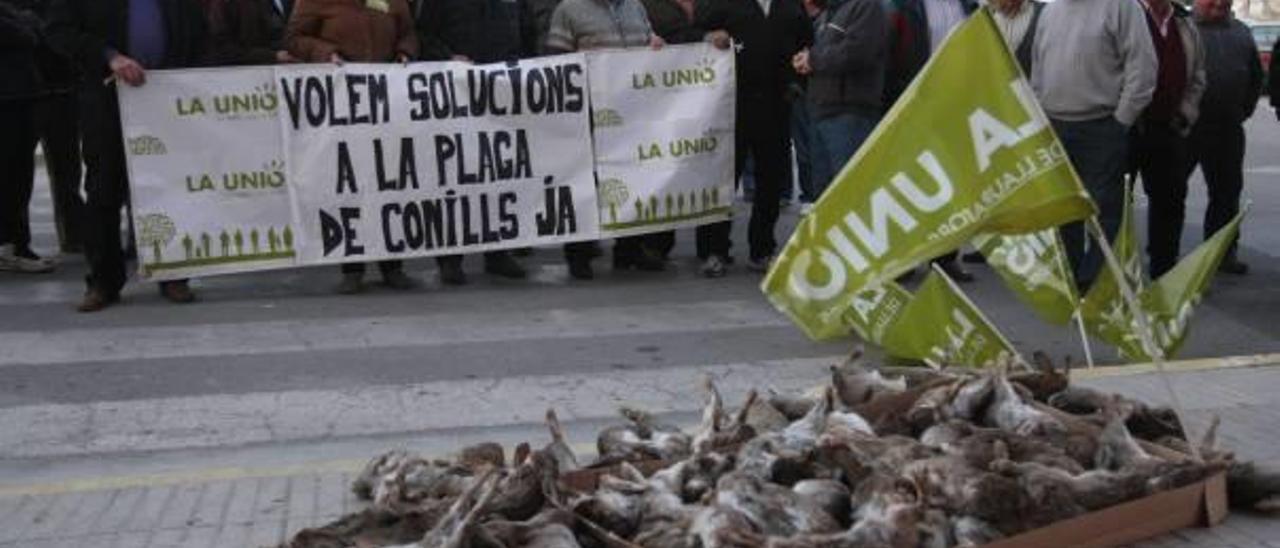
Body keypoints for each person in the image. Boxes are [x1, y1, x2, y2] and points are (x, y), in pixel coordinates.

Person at [48, 0, 209, 311]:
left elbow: (198, 30)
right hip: (106, 95)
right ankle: (103, 281)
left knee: (171, 186)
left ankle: (174, 272)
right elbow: (59, 31)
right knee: (104, 188)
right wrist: (109, 57)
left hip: (167, 96)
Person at [285, 0, 420, 295]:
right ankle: (353, 268)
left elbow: (408, 32)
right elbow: (293, 38)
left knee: (389, 184)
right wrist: (324, 53)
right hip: (342, 105)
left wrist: (404, 51)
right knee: (350, 186)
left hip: (386, 102)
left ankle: (392, 265)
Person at [1032, 0, 1157, 288]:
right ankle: (1072, 280)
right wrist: (1039, 114)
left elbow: (1143, 67)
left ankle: (1098, 285)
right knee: (1064, 212)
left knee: (1105, 213)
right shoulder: (1050, 11)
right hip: (1054, 127)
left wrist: (1121, 122)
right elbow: (1038, 68)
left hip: (1101, 126)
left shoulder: (1122, 7)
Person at [413, 0, 533, 286]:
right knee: (454, 178)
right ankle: (450, 259)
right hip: (454, 96)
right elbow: (423, 35)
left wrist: (527, 70)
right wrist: (448, 57)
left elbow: (527, 33)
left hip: (501, 94)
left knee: (500, 174)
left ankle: (498, 251)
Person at [545, 0, 666, 280]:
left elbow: (648, 41)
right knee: (587, 182)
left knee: (635, 177)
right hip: (589, 110)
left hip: (633, 109)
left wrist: (655, 43)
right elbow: (555, 61)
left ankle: (629, 249)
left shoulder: (635, 6)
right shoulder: (568, 9)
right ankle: (580, 253)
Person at [696, 0, 811, 275]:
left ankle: (762, 249)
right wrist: (707, 37)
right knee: (723, 178)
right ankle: (714, 250)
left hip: (776, 104)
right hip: (730, 105)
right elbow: (692, 31)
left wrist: (797, 84)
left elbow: (806, 40)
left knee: (771, 181)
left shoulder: (791, 5)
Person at [884, 0, 978, 282]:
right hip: (914, 101)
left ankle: (945, 257)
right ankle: (904, 257)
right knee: (909, 183)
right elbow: (890, 52)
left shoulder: (968, 5)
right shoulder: (904, 4)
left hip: (956, 103)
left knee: (950, 182)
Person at [961, 0, 1042, 266]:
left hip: (1030, 112)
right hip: (992, 115)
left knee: (1030, 180)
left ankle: (1033, 245)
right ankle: (994, 244)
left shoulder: (1042, 15)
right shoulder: (983, 18)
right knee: (995, 182)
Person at [1186, 0, 1262, 274]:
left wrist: (1244, 110)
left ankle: (1222, 255)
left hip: (1228, 127)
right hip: (1185, 128)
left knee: (1227, 194)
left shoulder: (1241, 32)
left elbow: (1255, 75)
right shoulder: (1183, 29)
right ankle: (1164, 257)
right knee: (1169, 195)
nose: (1219, 2)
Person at [1133, 0, 1205, 278]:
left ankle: (1164, 269)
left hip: (1169, 127)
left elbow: (1198, 75)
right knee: (1114, 203)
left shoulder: (1185, 23)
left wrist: (1186, 113)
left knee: (1170, 200)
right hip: (1128, 126)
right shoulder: (1125, 13)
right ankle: (1110, 273)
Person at [792, 0, 886, 202]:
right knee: (825, 197)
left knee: (850, 196)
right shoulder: (831, 10)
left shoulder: (866, 6)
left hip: (850, 115)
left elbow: (858, 52)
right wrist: (806, 59)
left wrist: (813, 60)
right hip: (821, 113)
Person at [0, 0, 56, 274]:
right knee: (13, 175)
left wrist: (27, 22)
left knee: (18, 176)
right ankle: (11, 246)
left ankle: (14, 244)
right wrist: (27, 22)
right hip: (9, 99)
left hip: (20, 96)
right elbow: (29, 34)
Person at [207, 0, 296, 65]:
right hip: (231, 75)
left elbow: (275, 33)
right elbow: (223, 49)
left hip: (267, 69)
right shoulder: (222, 5)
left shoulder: (263, 4)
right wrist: (272, 56)